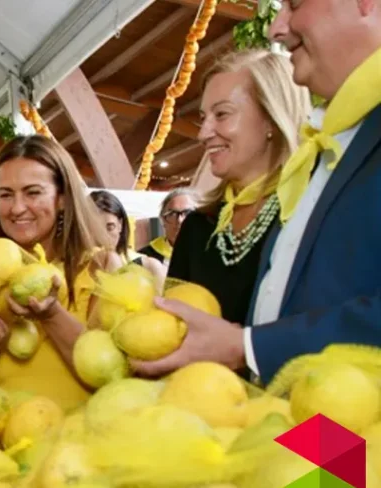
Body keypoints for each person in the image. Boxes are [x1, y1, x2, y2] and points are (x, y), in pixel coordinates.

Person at [131, 0, 381, 384]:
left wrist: (246, 347)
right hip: (296, 420)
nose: (275, 28)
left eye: (294, 4)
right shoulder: (330, 151)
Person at [0, 135, 119, 411]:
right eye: (6, 194)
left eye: (33, 192)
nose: (16, 208)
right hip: (4, 444)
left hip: (79, 446)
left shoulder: (102, 267)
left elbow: (110, 376)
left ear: (62, 198)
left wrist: (50, 315)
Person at [169, 50, 310, 325]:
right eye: (203, 117)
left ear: (271, 117)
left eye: (221, 114)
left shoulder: (308, 215)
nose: (203, 133)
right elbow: (171, 329)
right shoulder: (197, 228)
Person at [89, 190, 167, 289]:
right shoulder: (73, 266)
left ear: (120, 225)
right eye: (95, 229)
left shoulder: (148, 265)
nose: (103, 237)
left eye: (110, 228)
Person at [138, 188, 198, 264]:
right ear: (162, 220)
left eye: (187, 213)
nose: (180, 220)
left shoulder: (213, 254)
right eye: (172, 214)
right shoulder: (144, 259)